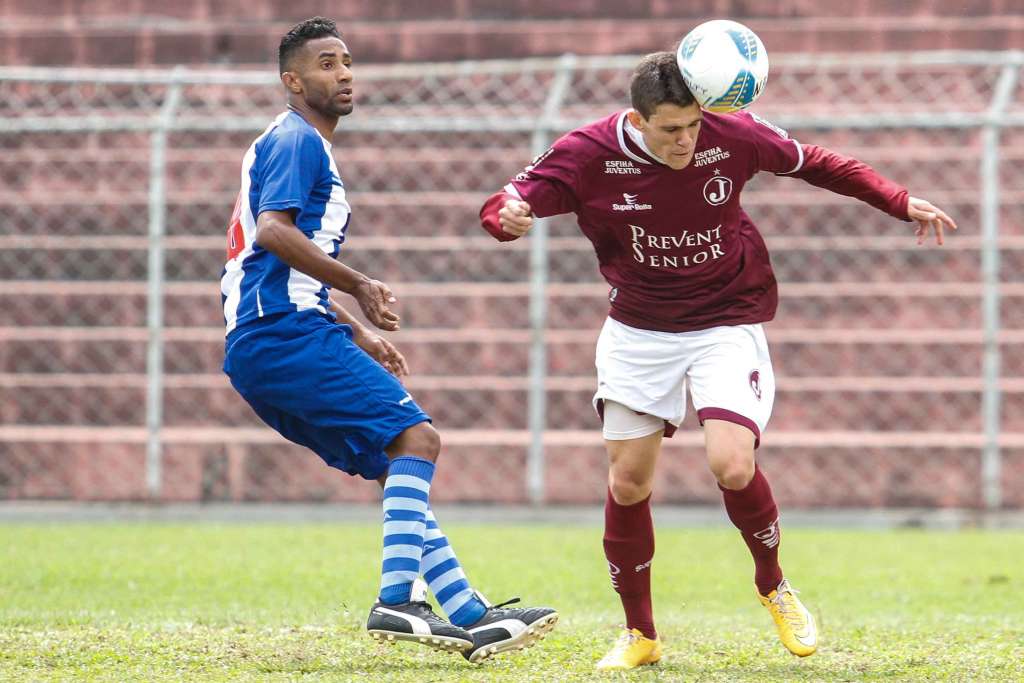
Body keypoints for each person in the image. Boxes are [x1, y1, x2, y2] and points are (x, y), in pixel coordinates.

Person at [479, 51, 955, 671]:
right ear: (637, 120)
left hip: (725, 320)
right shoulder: (588, 152)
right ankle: (640, 634)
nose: (685, 140)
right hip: (638, 331)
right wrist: (506, 219)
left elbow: (817, 161)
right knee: (628, 482)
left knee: (731, 463)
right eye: (670, 129)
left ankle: (773, 585)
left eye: (693, 126)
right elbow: (507, 201)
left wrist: (898, 200)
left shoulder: (731, 133)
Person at [220, 17, 558, 664]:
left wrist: (355, 334)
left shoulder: (291, 141)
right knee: (417, 439)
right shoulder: (297, 141)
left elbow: (271, 269)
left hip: (269, 338)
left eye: (347, 61)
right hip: (282, 335)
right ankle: (397, 601)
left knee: (395, 465)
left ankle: (469, 612)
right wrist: (359, 286)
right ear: (293, 81)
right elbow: (272, 233)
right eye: (325, 64)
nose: (343, 73)